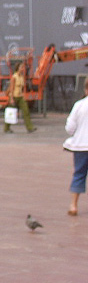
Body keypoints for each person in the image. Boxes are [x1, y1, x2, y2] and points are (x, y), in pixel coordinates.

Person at [64, 78, 88, 216]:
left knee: (79, 174)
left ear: (85, 89)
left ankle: (73, 205)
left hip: (80, 146)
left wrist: (76, 133)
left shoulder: (79, 105)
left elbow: (70, 127)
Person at [4, 61, 36, 133]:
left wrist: (22, 95)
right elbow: (11, 88)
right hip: (14, 97)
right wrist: (11, 98)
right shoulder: (14, 77)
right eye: (21, 67)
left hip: (20, 96)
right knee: (11, 113)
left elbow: (21, 88)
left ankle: (30, 127)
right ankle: (6, 128)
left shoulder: (21, 77)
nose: (23, 69)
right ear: (18, 68)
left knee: (26, 111)